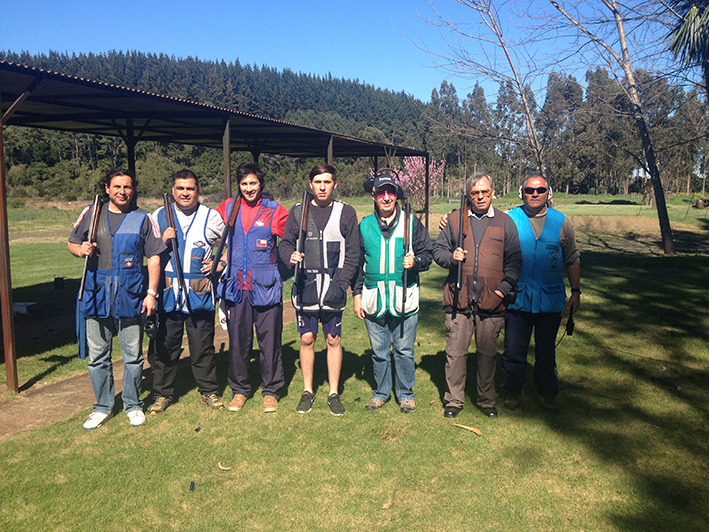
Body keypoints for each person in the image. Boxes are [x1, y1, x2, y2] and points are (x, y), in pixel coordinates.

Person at [69, 167, 166, 429]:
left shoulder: (143, 218)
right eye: (117, 187)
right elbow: (72, 243)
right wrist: (81, 250)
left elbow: (154, 257)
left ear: (133, 190)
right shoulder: (91, 214)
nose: (122, 191)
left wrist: (151, 293)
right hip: (96, 295)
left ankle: (133, 405)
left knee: (133, 356)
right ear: (107, 189)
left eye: (127, 187)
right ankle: (102, 407)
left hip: (130, 296)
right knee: (98, 357)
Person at [433, 173, 521, 419]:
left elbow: (515, 260)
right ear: (468, 195)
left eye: (485, 191)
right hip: (458, 300)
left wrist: (502, 290)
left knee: (487, 356)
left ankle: (486, 400)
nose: (480, 196)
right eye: (475, 192)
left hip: (492, 301)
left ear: (492, 193)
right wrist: (451, 258)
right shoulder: (454, 219)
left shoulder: (505, 222)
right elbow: (438, 251)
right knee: (455, 354)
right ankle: (454, 400)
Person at [279, 163, 360, 416]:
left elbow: (354, 252)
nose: (322, 187)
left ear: (335, 184)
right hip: (306, 288)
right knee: (306, 338)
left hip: (334, 289)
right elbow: (285, 244)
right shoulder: (298, 211)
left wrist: (341, 284)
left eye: (327, 182)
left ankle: (333, 393)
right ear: (310, 184)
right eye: (318, 182)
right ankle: (307, 391)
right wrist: (290, 257)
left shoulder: (346, 212)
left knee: (333, 339)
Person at [352, 173, 432, 413]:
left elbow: (428, 254)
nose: (386, 197)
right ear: (373, 196)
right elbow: (357, 264)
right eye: (381, 193)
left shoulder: (411, 222)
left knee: (404, 350)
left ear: (396, 195)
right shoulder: (364, 225)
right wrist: (356, 295)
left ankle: (406, 394)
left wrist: (416, 262)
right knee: (379, 352)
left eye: (390, 192)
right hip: (373, 298)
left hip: (404, 297)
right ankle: (381, 393)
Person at [148, 169, 226, 415]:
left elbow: (232, 243)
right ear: (172, 190)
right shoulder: (158, 215)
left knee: (202, 346)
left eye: (190, 188)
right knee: (165, 347)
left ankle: (208, 391)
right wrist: (162, 241)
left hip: (199, 293)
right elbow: (146, 251)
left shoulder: (211, 217)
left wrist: (221, 263)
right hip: (167, 294)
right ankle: (162, 394)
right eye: (180, 188)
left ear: (197, 190)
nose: (185, 193)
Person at [502, 175, 581, 412]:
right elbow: (481, 219)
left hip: (550, 300)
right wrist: (449, 217)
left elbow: (572, 258)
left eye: (540, 190)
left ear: (549, 192)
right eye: (529, 190)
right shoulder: (509, 218)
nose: (535, 194)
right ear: (522, 193)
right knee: (514, 351)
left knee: (546, 352)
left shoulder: (562, 222)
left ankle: (547, 394)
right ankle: (513, 392)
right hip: (517, 299)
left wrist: (576, 291)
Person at [216, 162, 288, 413]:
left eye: (253, 183)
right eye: (244, 183)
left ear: (261, 184)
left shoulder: (274, 210)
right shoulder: (228, 208)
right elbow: (206, 226)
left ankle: (271, 391)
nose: (249, 188)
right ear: (239, 185)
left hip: (266, 287)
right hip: (237, 287)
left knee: (270, 342)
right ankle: (239, 389)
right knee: (238, 341)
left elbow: (292, 237)